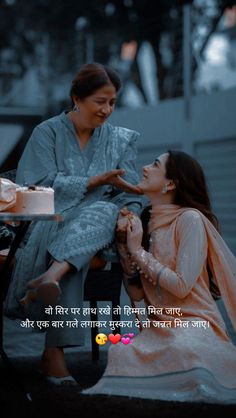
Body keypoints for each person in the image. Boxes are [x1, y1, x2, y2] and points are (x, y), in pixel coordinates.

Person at [4, 62, 145, 384]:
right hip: (52, 221)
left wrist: (130, 211)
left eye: (112, 102)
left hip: (102, 225)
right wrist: (94, 181)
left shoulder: (121, 140)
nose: (107, 110)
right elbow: (33, 186)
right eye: (100, 101)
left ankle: (53, 340)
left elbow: (132, 191)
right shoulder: (47, 132)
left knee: (105, 212)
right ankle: (52, 352)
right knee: (74, 243)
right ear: (76, 99)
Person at [82, 150, 236, 403]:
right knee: (122, 352)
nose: (144, 168)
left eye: (154, 165)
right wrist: (124, 248)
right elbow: (137, 295)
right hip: (160, 326)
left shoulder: (190, 220)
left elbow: (181, 286)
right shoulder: (145, 220)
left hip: (195, 323)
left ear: (171, 183)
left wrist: (136, 250)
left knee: (185, 350)